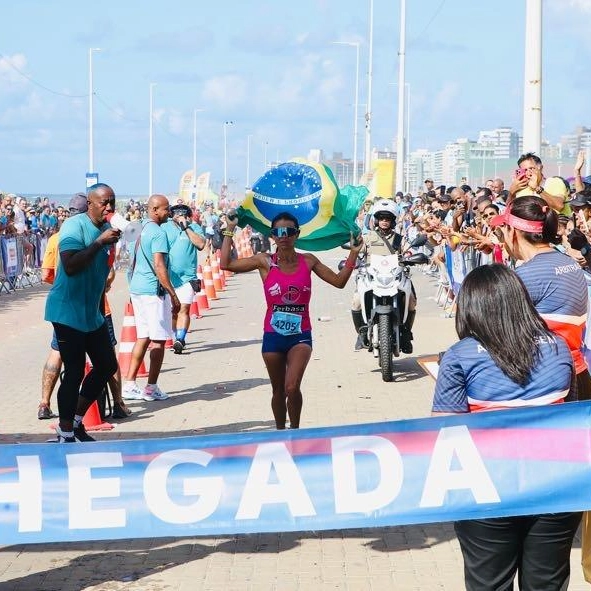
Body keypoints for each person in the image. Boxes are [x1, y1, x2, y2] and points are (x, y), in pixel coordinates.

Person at [432, 264, 580, 591]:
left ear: (472, 308)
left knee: (489, 584)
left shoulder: (459, 357)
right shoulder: (559, 350)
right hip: (556, 488)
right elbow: (568, 416)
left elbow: (445, 433)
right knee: (547, 584)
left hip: (487, 489)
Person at [220, 211, 362, 430]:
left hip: (300, 336)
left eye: (288, 232)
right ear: (272, 235)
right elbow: (226, 264)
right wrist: (230, 229)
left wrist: (353, 253)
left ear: (297, 234)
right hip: (273, 336)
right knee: (278, 390)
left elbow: (339, 281)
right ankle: (280, 433)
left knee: (292, 386)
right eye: (278, 232)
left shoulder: (308, 260)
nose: (283, 236)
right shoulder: (265, 261)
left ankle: (295, 432)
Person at [490, 195, 591, 399]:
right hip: (579, 374)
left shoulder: (523, 277)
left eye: (503, 229)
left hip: (548, 383)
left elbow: (500, 338)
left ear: (514, 232)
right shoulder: (570, 264)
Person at [44, 184, 121, 442]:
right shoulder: (75, 226)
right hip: (67, 311)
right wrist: (99, 243)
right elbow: (71, 264)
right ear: (90, 203)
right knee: (74, 371)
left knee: (107, 365)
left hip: (92, 313)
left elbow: (99, 277)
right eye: (104, 202)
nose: (109, 207)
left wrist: (101, 314)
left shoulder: (108, 232)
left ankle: (76, 420)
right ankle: (65, 431)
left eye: (112, 202)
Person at [122, 194, 180, 402]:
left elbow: (130, 261)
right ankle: (151, 387)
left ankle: (129, 384)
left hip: (137, 289)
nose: (169, 213)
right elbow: (159, 265)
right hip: (153, 292)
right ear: (154, 209)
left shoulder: (136, 228)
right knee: (158, 340)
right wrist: (173, 294)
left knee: (143, 336)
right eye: (166, 209)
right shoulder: (158, 233)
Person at [351, 199, 417, 353]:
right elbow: (356, 249)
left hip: (394, 277)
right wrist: (352, 243)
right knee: (355, 302)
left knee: (412, 302)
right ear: (376, 221)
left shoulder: (399, 239)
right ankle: (361, 333)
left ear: (392, 221)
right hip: (372, 277)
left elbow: (408, 252)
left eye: (387, 219)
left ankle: (406, 333)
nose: (384, 222)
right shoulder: (368, 237)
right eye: (381, 219)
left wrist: (410, 257)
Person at [162, 203, 206, 354]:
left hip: (188, 277)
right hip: (168, 277)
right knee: (173, 311)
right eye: (177, 213)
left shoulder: (194, 228)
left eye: (183, 214)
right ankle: (175, 338)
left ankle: (180, 339)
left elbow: (200, 244)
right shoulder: (164, 228)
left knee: (184, 308)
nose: (180, 216)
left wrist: (186, 227)